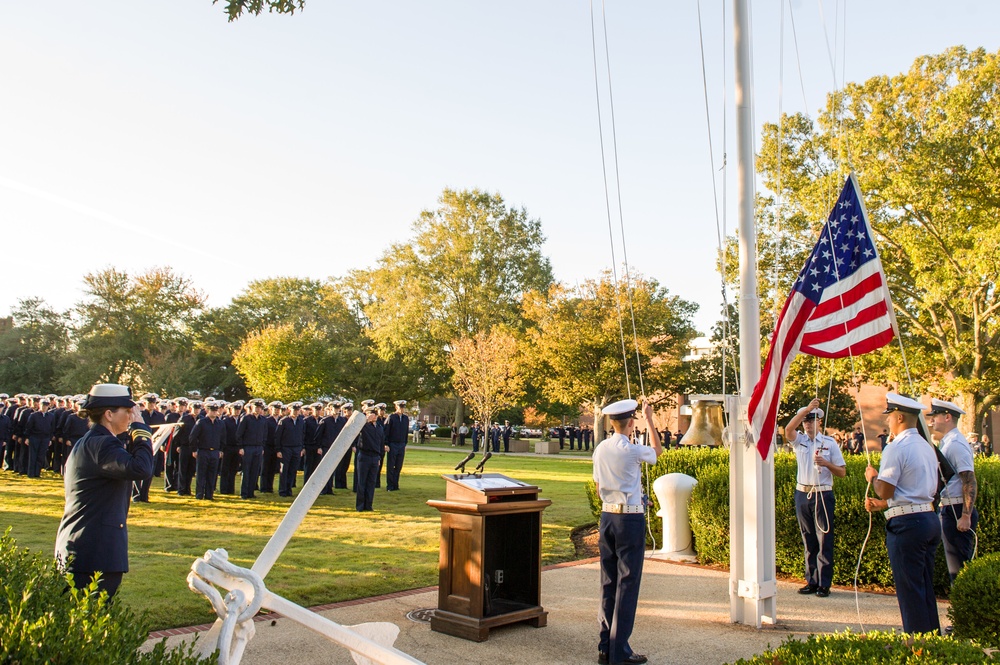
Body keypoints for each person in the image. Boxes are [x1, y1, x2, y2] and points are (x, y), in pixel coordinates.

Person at [54, 384, 153, 599]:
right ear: (109, 414)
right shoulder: (102, 444)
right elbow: (141, 468)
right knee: (88, 624)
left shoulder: (93, 441)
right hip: (93, 553)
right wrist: (141, 430)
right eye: (126, 411)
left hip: (88, 549)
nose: (131, 416)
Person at [593, 398, 663, 665]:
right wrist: (651, 419)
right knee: (628, 584)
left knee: (608, 582)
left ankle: (604, 646)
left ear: (612, 423)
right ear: (631, 423)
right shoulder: (633, 450)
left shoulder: (600, 449)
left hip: (607, 517)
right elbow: (657, 452)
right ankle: (618, 650)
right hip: (629, 519)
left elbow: (599, 486)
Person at [864, 393, 941, 634]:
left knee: (910, 590)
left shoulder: (896, 447)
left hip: (907, 525)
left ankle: (917, 644)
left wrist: (873, 477)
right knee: (924, 586)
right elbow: (919, 489)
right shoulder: (927, 447)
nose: (887, 422)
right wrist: (886, 505)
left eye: (889, 417)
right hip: (927, 518)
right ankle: (932, 639)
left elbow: (886, 489)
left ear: (899, 416)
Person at [783, 399, 846, 598]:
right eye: (806, 421)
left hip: (822, 492)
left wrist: (827, 463)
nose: (808, 424)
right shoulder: (800, 440)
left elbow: (842, 472)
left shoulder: (829, 443)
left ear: (820, 422)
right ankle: (811, 580)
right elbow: (788, 429)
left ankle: (824, 583)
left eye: (812, 420)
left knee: (824, 538)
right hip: (803, 492)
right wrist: (805, 410)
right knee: (808, 539)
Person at [927, 399, 978, 585]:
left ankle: (965, 609)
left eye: (935, 416)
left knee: (959, 569)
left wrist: (966, 515)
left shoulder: (956, 444)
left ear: (947, 417)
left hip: (957, 509)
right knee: (954, 567)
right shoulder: (948, 442)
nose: (932, 421)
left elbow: (969, 480)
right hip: (950, 507)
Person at [190, 401, 226, 500]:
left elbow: (223, 438)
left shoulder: (220, 423)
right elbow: (193, 437)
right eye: (212, 411)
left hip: (215, 451)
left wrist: (221, 450)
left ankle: (209, 495)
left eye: (216, 411)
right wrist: (194, 449)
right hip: (203, 451)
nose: (214, 413)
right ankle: (199, 494)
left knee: (212, 474)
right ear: (207, 410)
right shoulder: (201, 422)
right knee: (201, 474)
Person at [355, 405, 384, 511]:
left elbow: (381, 443)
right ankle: (360, 506)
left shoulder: (380, 427)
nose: (374, 416)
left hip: (375, 457)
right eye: (372, 414)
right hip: (364, 455)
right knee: (362, 482)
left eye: (375, 414)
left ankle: (368, 505)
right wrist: (366, 420)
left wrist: (380, 457)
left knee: (371, 483)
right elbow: (357, 428)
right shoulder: (364, 426)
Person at [384, 400, 409, 491]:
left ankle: (395, 484)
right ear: (396, 407)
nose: (402, 409)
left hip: (401, 444)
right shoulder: (391, 417)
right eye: (400, 407)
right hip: (392, 444)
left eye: (403, 407)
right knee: (391, 466)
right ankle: (390, 485)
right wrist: (386, 444)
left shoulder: (406, 418)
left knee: (398, 466)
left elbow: (406, 432)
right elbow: (386, 431)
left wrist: (405, 443)